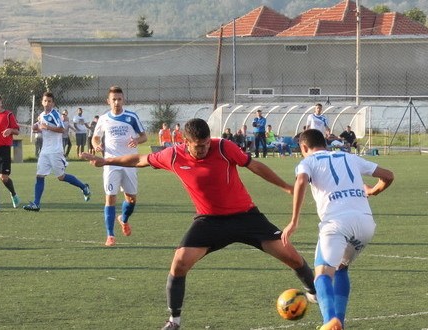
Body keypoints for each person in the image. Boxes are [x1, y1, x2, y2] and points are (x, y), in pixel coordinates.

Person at [81, 118, 317, 330]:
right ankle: (174, 320)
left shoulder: (224, 147)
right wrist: (106, 161)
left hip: (246, 216)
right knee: (179, 264)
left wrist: (285, 187)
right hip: (209, 221)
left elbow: (254, 166)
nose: (205, 148)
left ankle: (316, 293)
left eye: (206, 143)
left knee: (293, 258)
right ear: (186, 142)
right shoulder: (173, 155)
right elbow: (140, 159)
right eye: (199, 145)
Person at [282, 128, 394, 330]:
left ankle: (329, 321)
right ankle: (338, 324)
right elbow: (388, 175)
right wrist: (373, 191)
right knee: (341, 268)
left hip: (336, 224)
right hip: (365, 224)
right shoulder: (349, 157)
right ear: (324, 143)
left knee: (322, 274)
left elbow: (300, 181)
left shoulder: (308, 162)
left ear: (304, 147)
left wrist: (294, 221)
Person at [91, 86, 147, 247]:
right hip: (110, 163)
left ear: (124, 100)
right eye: (113, 99)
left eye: (119, 99)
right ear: (108, 101)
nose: (116, 102)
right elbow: (95, 137)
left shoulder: (131, 117)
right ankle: (110, 235)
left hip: (130, 162)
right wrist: (96, 145)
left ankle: (123, 219)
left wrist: (137, 140)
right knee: (110, 198)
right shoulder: (103, 119)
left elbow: (143, 136)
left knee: (131, 199)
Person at [23, 92, 92, 212]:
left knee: (61, 177)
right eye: (45, 101)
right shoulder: (41, 115)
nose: (47, 103)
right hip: (45, 151)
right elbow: (40, 128)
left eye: (50, 101)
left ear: (53, 103)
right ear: (42, 102)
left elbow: (61, 129)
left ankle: (84, 187)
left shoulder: (55, 114)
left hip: (55, 151)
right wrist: (36, 128)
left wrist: (47, 127)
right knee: (40, 176)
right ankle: (36, 203)